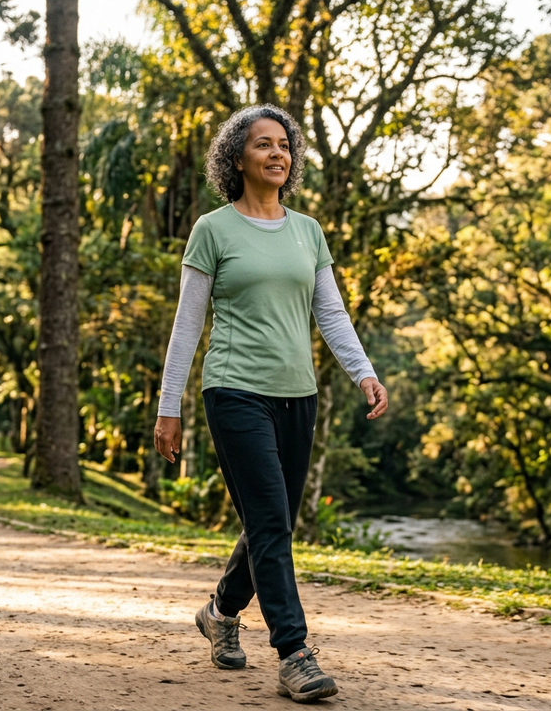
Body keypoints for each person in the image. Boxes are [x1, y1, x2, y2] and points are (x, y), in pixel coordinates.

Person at [154, 104, 388, 704]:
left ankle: (220, 612)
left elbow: (330, 313)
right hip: (233, 390)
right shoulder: (213, 229)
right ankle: (294, 653)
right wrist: (168, 406)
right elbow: (187, 325)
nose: (277, 154)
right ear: (237, 158)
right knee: (269, 524)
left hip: (298, 394)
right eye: (263, 144)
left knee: (273, 522)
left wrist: (363, 372)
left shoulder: (307, 230)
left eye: (284, 145)